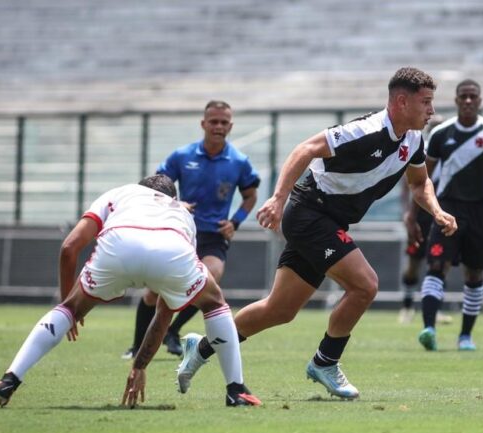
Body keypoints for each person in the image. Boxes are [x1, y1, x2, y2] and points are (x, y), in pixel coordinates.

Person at [174, 67, 457, 400]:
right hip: (309, 213)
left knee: (279, 310)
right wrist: (277, 199)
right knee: (365, 285)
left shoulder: (413, 140)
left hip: (329, 222)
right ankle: (326, 361)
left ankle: (202, 347)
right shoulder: (365, 131)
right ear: (401, 101)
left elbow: (420, 182)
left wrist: (436, 211)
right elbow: (304, 149)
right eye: (425, 102)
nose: (432, 111)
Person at [0, 175, 260, 408]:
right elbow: (164, 312)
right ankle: (236, 390)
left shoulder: (120, 193)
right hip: (171, 247)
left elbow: (70, 247)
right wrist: (140, 366)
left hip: (119, 243)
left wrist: (69, 304)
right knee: (214, 304)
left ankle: (10, 379)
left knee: (67, 310)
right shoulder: (182, 213)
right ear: (172, 196)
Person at [122, 100, 260, 359]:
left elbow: (250, 196)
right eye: (213, 121)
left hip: (214, 236)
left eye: (223, 122)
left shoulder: (239, 161)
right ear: (203, 124)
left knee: (210, 279)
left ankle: (172, 331)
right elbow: (155, 187)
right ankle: (137, 345)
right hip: (181, 232)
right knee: (153, 292)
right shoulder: (182, 156)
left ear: (230, 126)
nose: (218, 126)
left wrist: (235, 222)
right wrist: (176, 203)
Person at [415, 79, 483, 351]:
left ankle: (465, 337)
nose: (468, 101)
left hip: (480, 211)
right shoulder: (441, 133)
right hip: (448, 207)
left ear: (480, 100)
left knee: (474, 274)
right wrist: (416, 212)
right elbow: (421, 176)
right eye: (464, 96)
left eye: (473, 96)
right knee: (437, 266)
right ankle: (428, 329)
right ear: (456, 100)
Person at [398, 114, 452, 325]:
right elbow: (408, 183)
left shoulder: (449, 152)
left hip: (442, 212)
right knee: (414, 261)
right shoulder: (420, 150)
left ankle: (434, 309)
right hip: (421, 214)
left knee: (441, 261)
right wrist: (407, 211)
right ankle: (407, 306)